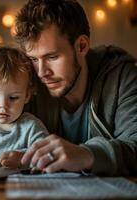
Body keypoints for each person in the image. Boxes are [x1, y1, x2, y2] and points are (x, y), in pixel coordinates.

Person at [14, 0, 137, 176]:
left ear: (82, 46)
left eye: (52, 57)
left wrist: (86, 154)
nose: (42, 73)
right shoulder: (28, 81)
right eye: (34, 59)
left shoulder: (122, 77)